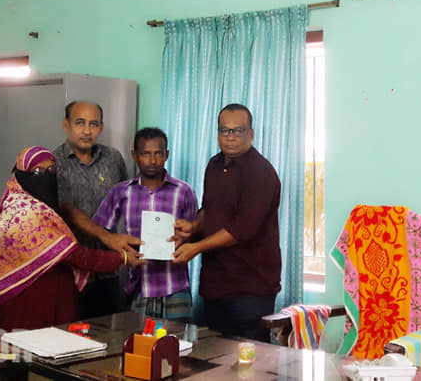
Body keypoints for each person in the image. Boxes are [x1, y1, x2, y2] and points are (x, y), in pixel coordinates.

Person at [0, 146, 131, 333]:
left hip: (57, 298)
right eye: (38, 172)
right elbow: (76, 255)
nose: (46, 176)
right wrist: (123, 258)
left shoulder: (45, 205)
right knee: (25, 347)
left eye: (51, 170)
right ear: (21, 175)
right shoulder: (24, 212)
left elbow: (67, 211)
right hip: (27, 300)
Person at [172, 104, 281, 342]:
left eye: (238, 130)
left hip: (250, 289)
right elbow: (210, 210)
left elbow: (242, 229)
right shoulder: (214, 165)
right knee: (209, 356)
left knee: (248, 361)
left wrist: (196, 247)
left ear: (251, 134)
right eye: (225, 130)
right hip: (214, 285)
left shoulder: (261, 173)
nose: (230, 137)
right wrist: (193, 228)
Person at [91, 128, 199, 321]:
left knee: (177, 338)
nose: (152, 160)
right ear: (135, 155)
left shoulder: (183, 191)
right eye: (146, 154)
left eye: (158, 153)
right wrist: (122, 252)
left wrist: (185, 240)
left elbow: (194, 233)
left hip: (175, 284)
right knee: (137, 338)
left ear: (166, 155)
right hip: (137, 285)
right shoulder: (121, 192)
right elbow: (99, 229)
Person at [53, 101, 139, 319]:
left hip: (113, 268)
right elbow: (67, 210)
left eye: (93, 124)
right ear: (66, 125)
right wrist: (107, 237)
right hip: (73, 271)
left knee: (114, 332)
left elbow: (128, 199)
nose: (87, 130)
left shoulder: (113, 159)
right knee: (73, 334)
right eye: (80, 123)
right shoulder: (54, 163)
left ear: (101, 127)